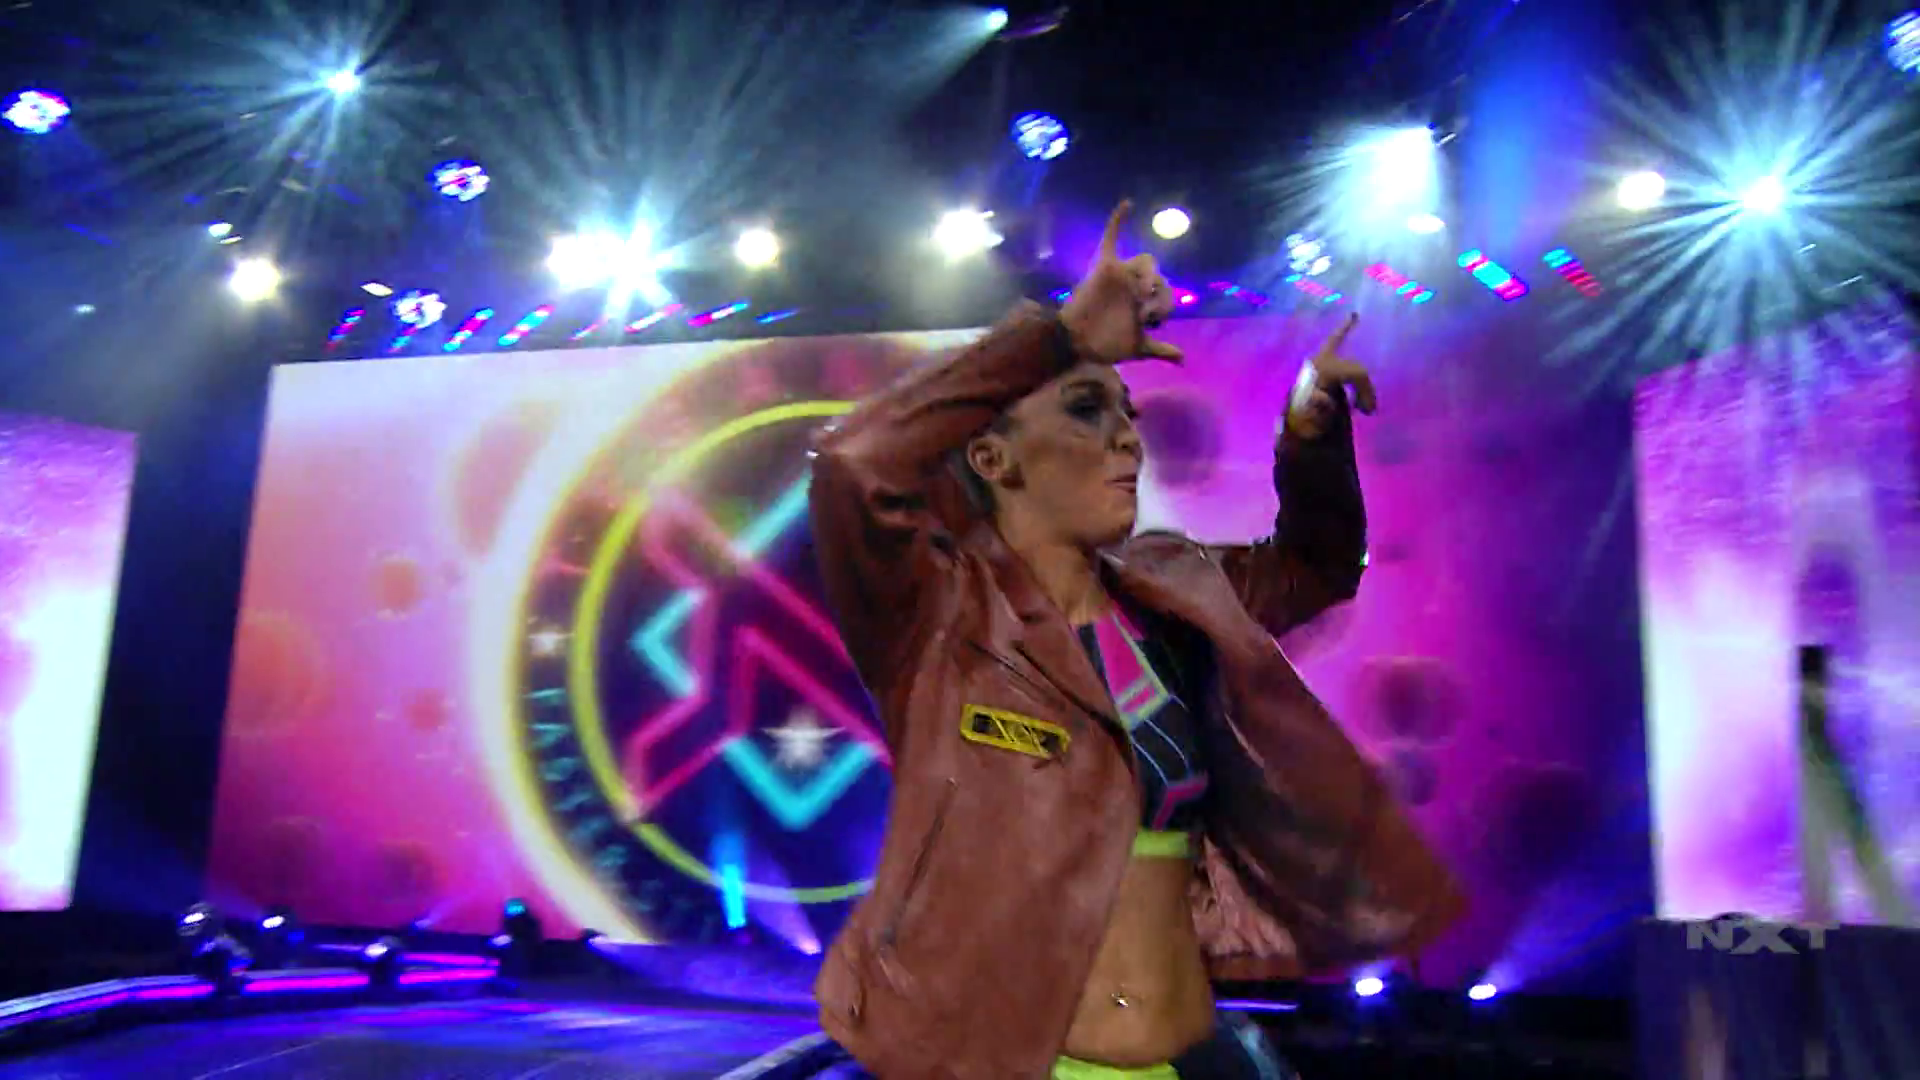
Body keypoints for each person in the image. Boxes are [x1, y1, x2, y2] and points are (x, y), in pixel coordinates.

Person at [807, 201, 1464, 1079]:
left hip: (1182, 1057)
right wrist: (1057, 337)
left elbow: (1317, 566)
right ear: (995, 460)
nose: (1125, 435)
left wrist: (1308, 420)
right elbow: (854, 465)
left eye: (1127, 414)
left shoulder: (1169, 593)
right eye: (1086, 409)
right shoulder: (937, 618)